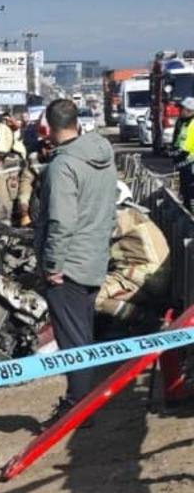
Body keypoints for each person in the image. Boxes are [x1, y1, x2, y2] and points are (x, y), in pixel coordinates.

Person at [34, 98, 117, 415]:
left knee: (73, 342)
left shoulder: (63, 166)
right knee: (83, 333)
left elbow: (61, 221)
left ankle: (78, 408)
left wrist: (54, 265)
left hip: (68, 267)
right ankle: (82, 401)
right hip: (94, 259)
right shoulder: (103, 157)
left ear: (49, 127)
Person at [96, 183, 170, 324]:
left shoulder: (121, 216)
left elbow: (91, 238)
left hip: (141, 278)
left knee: (91, 297)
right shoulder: (134, 214)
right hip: (148, 276)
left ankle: (144, 320)